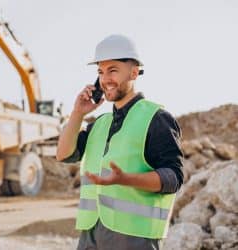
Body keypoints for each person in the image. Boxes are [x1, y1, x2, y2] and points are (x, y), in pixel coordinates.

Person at [56, 34, 183, 250]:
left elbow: (174, 178)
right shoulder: (100, 123)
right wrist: (78, 113)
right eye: (100, 72)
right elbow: (64, 154)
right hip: (91, 234)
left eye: (113, 70)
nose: (105, 79)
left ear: (134, 72)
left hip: (133, 238)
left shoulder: (157, 118)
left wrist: (126, 179)